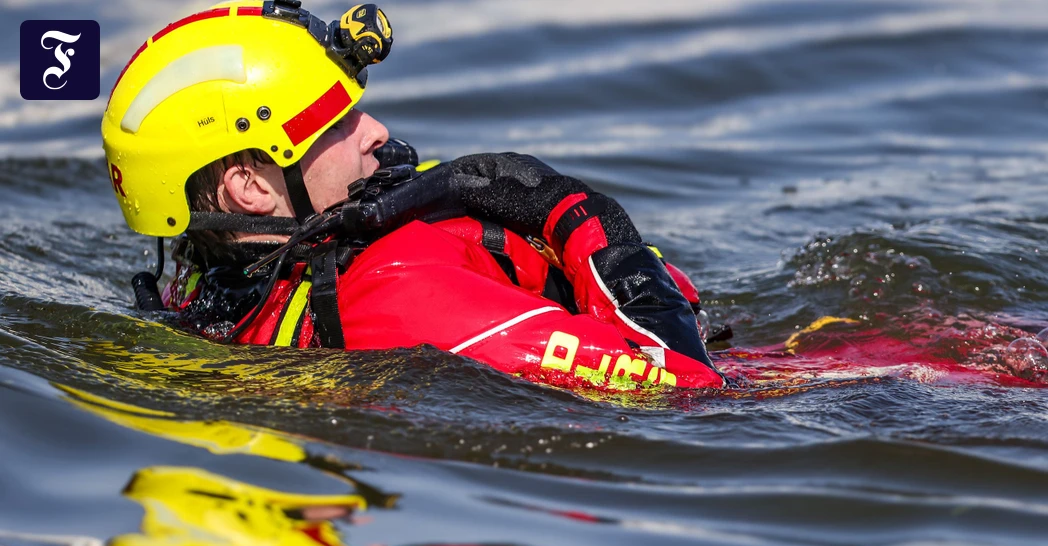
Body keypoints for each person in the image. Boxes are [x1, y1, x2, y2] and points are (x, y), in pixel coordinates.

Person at [102, 0, 725, 390]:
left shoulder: (200, 283)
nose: (375, 131)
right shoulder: (400, 292)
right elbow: (684, 384)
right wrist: (575, 212)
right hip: (760, 378)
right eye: (335, 125)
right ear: (251, 188)